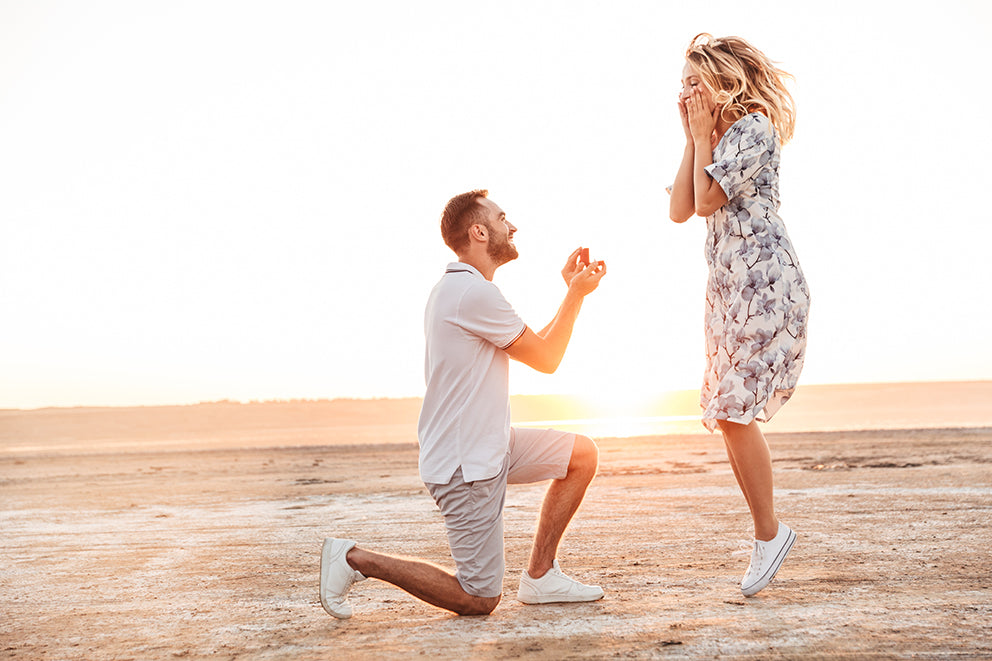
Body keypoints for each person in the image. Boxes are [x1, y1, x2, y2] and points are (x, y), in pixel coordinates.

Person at [320, 189, 608, 618]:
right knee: (478, 598)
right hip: (465, 465)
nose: (512, 226)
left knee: (581, 455)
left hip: (490, 445)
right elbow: (547, 359)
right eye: (503, 217)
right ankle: (352, 559)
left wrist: (571, 292)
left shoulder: (463, 289)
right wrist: (576, 296)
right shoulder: (473, 294)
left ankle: (541, 576)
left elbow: (538, 347)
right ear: (478, 231)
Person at [668, 34, 811, 597]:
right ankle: (767, 535)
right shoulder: (715, 137)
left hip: (766, 285)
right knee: (727, 413)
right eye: (680, 84)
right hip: (729, 293)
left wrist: (703, 136)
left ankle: (768, 535)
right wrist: (693, 139)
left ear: (723, 80)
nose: (684, 93)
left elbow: (708, 202)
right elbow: (680, 210)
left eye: (692, 82)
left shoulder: (753, 128)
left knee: (732, 409)